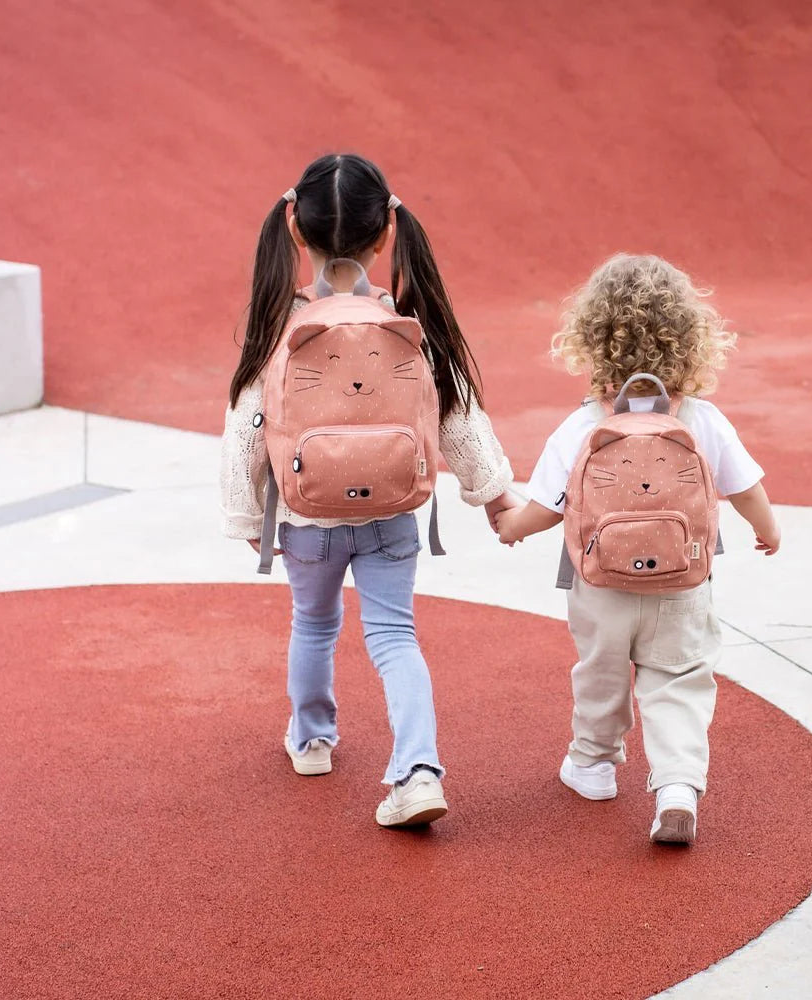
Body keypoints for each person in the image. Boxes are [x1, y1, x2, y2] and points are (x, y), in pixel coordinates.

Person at [221, 154, 515, 827]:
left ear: (295, 231)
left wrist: (245, 516)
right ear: (388, 232)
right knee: (394, 635)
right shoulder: (404, 322)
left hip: (305, 515)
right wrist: (493, 491)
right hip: (391, 512)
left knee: (314, 625)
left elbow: (247, 423)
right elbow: (456, 411)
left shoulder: (279, 325)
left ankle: (314, 738)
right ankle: (416, 769)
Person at [496, 254, 780, 845]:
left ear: (590, 340)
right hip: (683, 582)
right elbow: (745, 487)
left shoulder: (582, 426)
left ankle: (593, 765)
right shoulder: (702, 419)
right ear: (691, 340)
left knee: (600, 671)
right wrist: (766, 526)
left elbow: (547, 508)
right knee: (678, 677)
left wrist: (511, 526)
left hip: (600, 585)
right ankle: (676, 785)